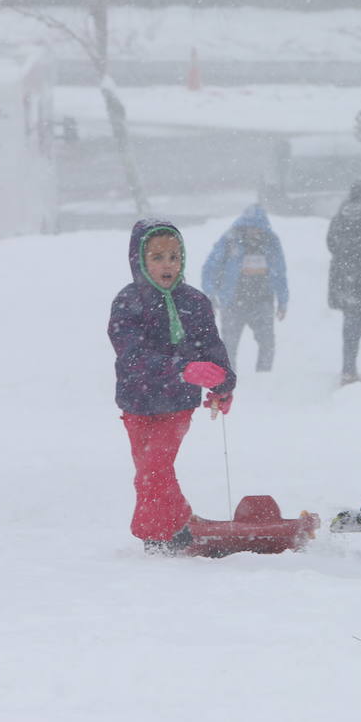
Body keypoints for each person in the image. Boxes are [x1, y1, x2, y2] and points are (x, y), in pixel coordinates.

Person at [108, 219, 237, 555]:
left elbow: (211, 346)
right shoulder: (127, 302)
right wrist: (182, 368)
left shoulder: (194, 302)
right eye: (158, 257)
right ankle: (180, 520)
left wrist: (222, 383)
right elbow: (132, 356)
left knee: (155, 467)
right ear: (139, 260)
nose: (168, 265)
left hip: (176, 403)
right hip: (136, 403)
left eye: (175, 257)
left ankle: (158, 533)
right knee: (149, 469)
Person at [201, 204, 288, 372]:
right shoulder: (230, 240)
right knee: (228, 346)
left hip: (262, 301)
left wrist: (283, 300)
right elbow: (211, 267)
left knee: (267, 343)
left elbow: (279, 271)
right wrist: (210, 294)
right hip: (233, 301)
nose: (253, 231)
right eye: (249, 227)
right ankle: (228, 379)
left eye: (257, 228)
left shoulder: (271, 242)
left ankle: (263, 378)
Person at [326, 181, 361, 385]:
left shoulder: (340, 218)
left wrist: (346, 258)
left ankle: (348, 369)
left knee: (350, 328)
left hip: (345, 278)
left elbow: (331, 244)